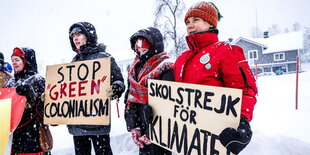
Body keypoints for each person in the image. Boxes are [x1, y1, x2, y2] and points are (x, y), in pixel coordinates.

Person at [174, 2, 258, 154]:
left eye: (196, 20)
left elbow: (245, 90)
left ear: (210, 23)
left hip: (215, 137)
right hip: (188, 138)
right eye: (187, 22)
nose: (190, 25)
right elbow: (173, 95)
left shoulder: (226, 51)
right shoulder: (181, 59)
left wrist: (242, 120)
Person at [67, 21, 125, 155]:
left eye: (79, 34)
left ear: (89, 35)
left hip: (98, 121)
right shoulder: (73, 62)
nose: (75, 37)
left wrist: (116, 88)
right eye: (73, 35)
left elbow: (119, 80)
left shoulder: (104, 58)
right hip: (78, 123)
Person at [124, 27, 174, 155]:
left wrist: (152, 130)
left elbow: (169, 103)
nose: (141, 54)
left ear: (154, 48)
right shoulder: (134, 69)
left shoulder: (166, 67)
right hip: (141, 124)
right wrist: (133, 126)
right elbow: (129, 98)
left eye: (145, 50)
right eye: (138, 51)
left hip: (161, 130)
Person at [5, 47, 46, 155]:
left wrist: (34, 98)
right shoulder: (11, 82)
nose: (14, 62)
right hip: (13, 135)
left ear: (26, 61)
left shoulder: (38, 80)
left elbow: (48, 110)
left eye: (17, 60)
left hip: (33, 135)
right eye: (12, 60)